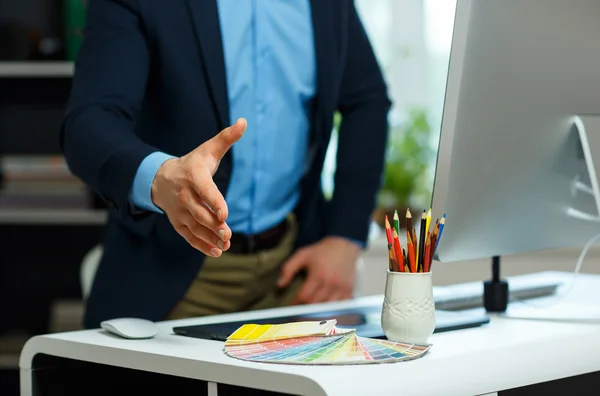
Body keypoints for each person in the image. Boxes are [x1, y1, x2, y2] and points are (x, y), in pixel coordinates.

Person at [61, 0, 391, 328]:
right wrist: (160, 178)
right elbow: (89, 121)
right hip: (174, 273)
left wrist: (345, 236)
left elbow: (366, 100)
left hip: (293, 271)